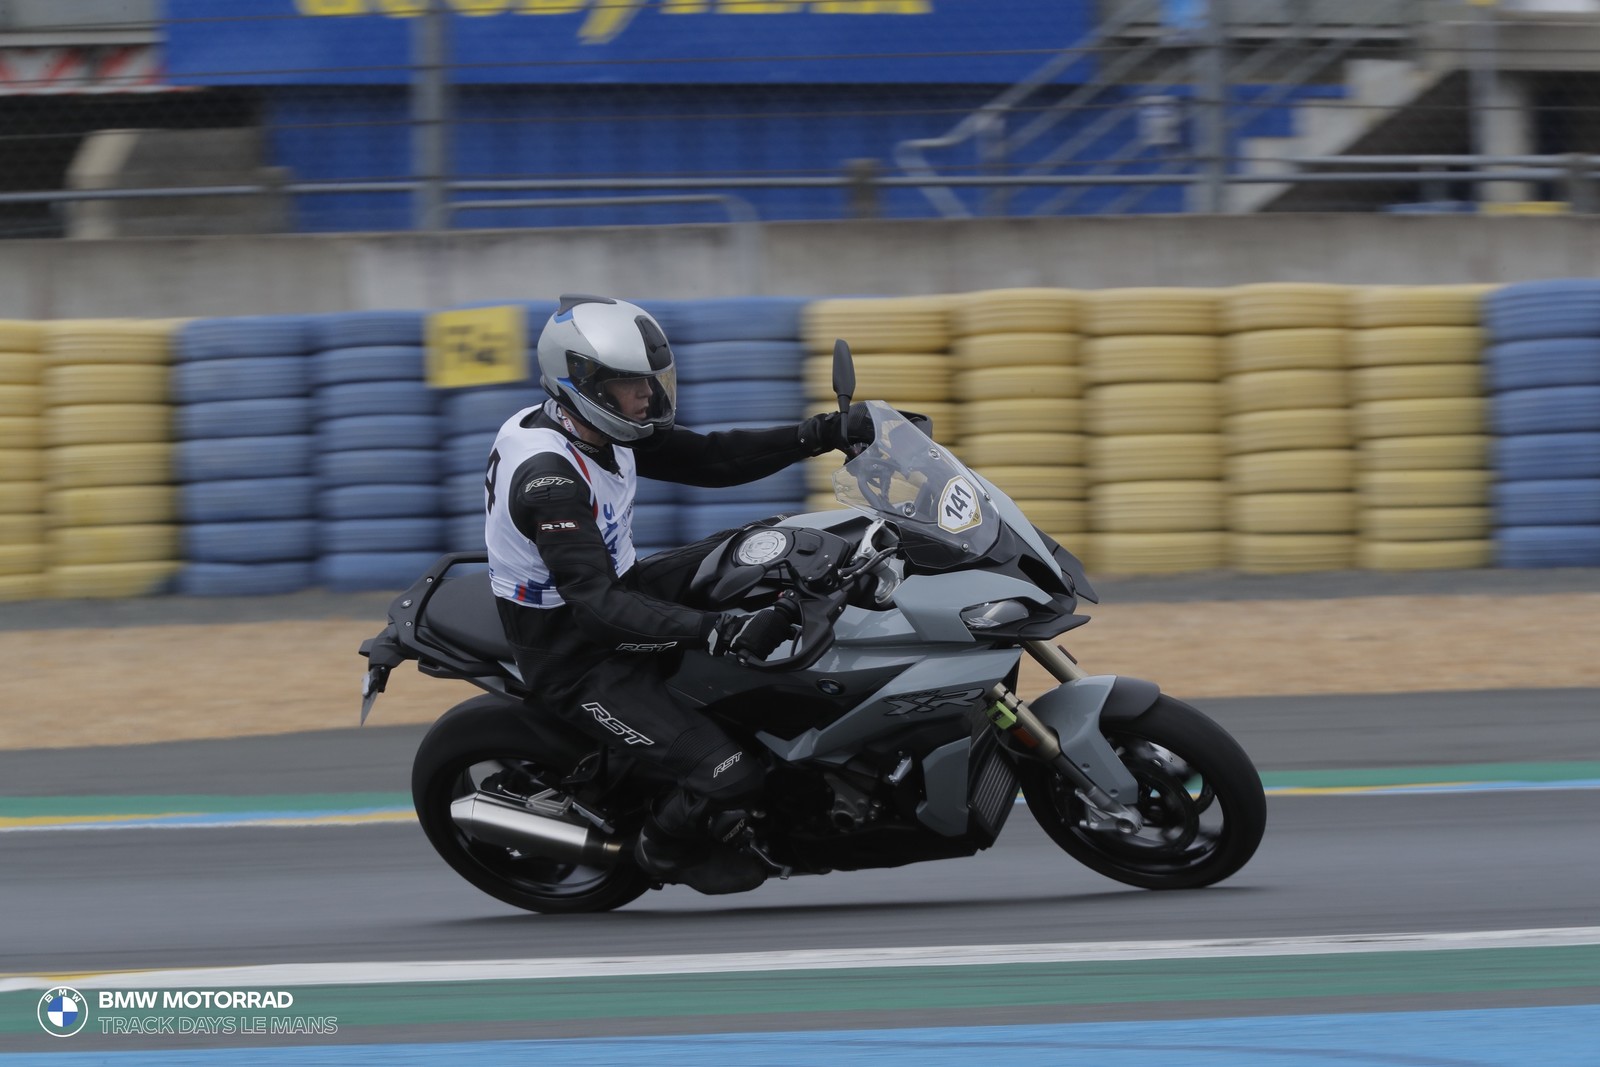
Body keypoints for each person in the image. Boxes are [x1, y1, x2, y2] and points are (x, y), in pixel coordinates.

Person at [485, 294, 872, 895]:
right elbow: (599, 612)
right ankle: (663, 849)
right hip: (574, 649)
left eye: (651, 379)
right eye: (630, 383)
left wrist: (817, 434)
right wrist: (719, 630)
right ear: (582, 384)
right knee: (732, 774)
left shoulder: (591, 426)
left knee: (773, 547)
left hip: (617, 586)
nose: (648, 394)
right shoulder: (551, 482)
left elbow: (711, 460)